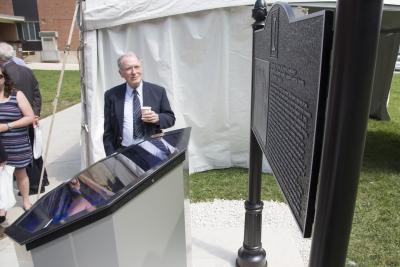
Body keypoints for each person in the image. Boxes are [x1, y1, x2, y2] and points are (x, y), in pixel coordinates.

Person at [103, 52, 175, 156]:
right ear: (121, 73)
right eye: (128, 68)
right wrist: (111, 155)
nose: (134, 72)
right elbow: (108, 131)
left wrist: (158, 118)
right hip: (124, 151)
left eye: (136, 67)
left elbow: (170, 118)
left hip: (153, 150)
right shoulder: (111, 95)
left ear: (141, 69)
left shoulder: (158, 91)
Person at [0, 42, 49, 194]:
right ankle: (42, 180)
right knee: (35, 152)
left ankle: (33, 186)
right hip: (29, 118)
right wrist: (35, 114)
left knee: (22, 159)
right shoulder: (26, 70)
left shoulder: (5, 75)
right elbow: (36, 94)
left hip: (15, 122)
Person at [0, 66, 34, 211]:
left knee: (20, 173)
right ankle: (2, 207)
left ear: (4, 78)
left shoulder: (16, 95)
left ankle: (26, 201)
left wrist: (7, 126)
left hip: (17, 145)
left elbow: (30, 117)